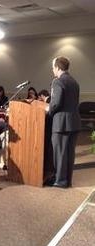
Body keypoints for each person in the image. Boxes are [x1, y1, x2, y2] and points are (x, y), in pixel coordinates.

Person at [47, 56, 81, 188]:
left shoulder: (58, 81)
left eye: (53, 67)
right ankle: (67, 180)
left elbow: (56, 103)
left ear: (57, 67)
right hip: (74, 122)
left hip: (61, 123)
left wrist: (48, 111)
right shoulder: (74, 82)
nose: (52, 70)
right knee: (69, 153)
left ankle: (60, 181)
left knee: (60, 153)